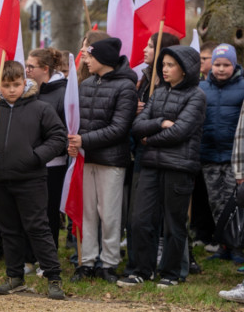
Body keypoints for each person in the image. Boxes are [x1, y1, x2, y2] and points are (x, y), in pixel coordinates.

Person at [0, 61, 68, 300]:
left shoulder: (41, 109)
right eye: (6, 85)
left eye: (16, 84)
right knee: (9, 229)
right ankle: (14, 277)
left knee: (37, 227)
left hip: (30, 179)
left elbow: (57, 137)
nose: (11, 89)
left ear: (25, 83)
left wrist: (36, 157)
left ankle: (53, 277)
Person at [118, 46, 206, 288]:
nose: (164, 69)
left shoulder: (196, 96)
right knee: (139, 219)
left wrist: (149, 139)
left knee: (173, 222)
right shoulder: (158, 92)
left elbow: (180, 132)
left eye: (170, 65)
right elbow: (138, 124)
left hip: (178, 167)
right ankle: (140, 270)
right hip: (150, 165)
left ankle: (171, 273)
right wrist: (160, 122)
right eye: (163, 65)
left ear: (185, 69)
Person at [66, 36, 138, 283]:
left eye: (91, 57)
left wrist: (83, 140)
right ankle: (86, 262)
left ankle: (108, 262)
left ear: (104, 60)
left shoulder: (126, 87)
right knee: (87, 213)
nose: (87, 61)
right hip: (86, 160)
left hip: (111, 161)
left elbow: (119, 128)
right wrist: (74, 142)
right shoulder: (85, 85)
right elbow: (77, 122)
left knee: (109, 214)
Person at [199, 44, 244, 247]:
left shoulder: (242, 86)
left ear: (234, 65)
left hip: (232, 157)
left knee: (232, 203)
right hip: (208, 155)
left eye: (226, 64)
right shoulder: (202, 88)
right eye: (217, 64)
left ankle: (236, 244)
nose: (221, 69)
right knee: (215, 202)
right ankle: (223, 243)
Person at [26, 47, 68, 250]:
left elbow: (64, 131)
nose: (27, 71)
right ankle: (30, 255)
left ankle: (48, 255)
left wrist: (43, 153)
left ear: (45, 68)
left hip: (53, 163)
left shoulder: (62, 92)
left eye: (30, 67)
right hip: (30, 160)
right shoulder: (30, 90)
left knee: (48, 212)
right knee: (31, 211)